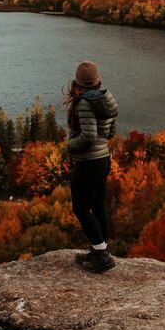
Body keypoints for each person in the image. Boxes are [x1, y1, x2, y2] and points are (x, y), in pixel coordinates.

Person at [65, 61, 118, 273]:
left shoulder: (85, 103)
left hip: (89, 162)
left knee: (80, 208)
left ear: (77, 84)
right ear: (97, 82)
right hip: (103, 159)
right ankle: (100, 251)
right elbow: (111, 132)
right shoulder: (107, 100)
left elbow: (88, 136)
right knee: (97, 207)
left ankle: (101, 255)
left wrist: (69, 146)